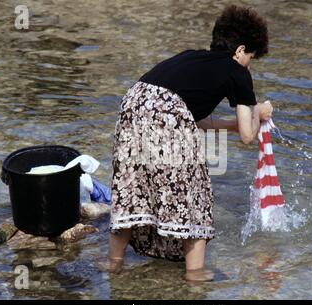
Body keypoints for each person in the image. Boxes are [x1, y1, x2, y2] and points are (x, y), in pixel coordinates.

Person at [107, 4, 273, 281]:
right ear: (241, 50)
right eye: (251, 57)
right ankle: (194, 273)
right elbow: (248, 135)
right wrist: (260, 111)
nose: (249, 64)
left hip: (133, 106)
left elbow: (192, 118)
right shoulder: (238, 71)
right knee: (195, 192)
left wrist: (230, 125)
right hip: (167, 115)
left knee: (133, 189)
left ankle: (113, 262)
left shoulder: (189, 58)